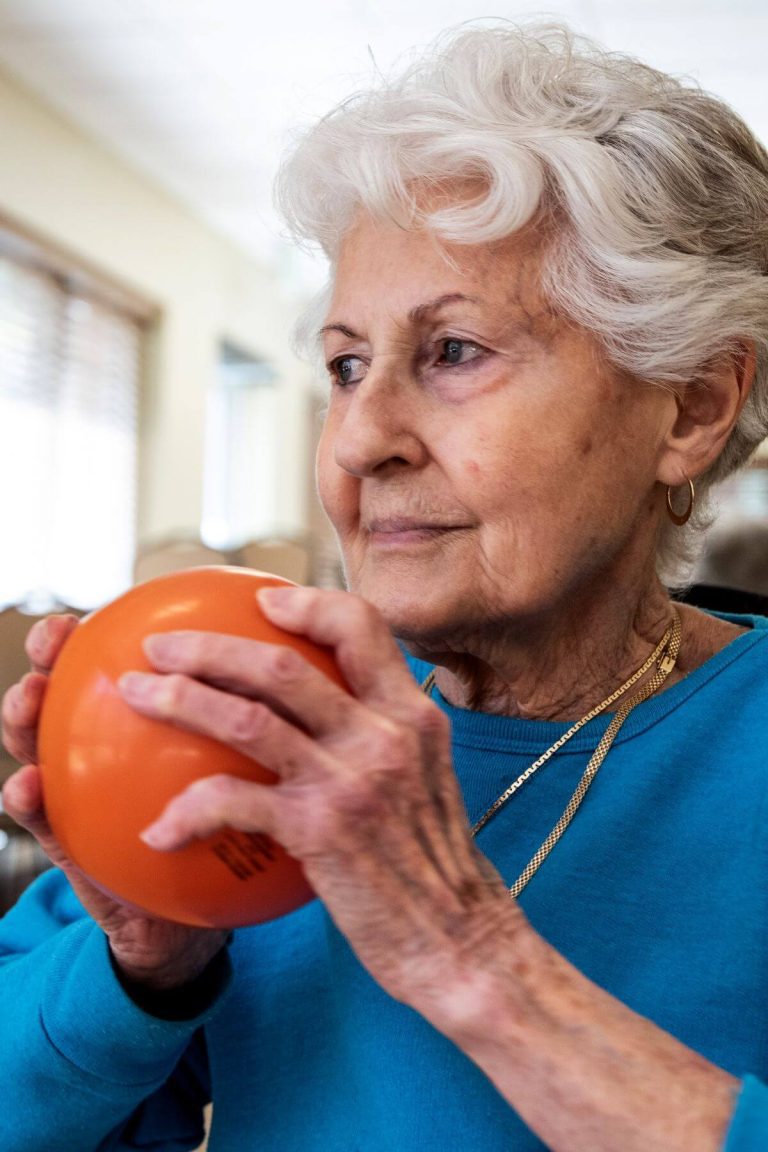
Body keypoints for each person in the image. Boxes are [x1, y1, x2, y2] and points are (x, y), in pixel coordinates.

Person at [2, 21, 768, 1152]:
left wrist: (470, 955)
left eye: (455, 353)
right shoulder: (262, 707)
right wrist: (142, 971)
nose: (360, 439)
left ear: (692, 407)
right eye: (346, 365)